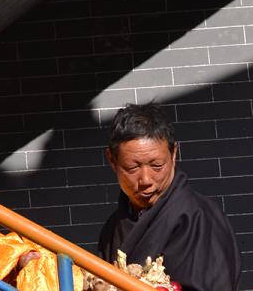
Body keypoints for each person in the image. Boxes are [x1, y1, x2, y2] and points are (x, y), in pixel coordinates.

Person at [96, 103, 240, 291]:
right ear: (112, 160)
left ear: (173, 154)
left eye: (156, 165)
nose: (145, 180)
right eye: (132, 168)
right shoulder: (113, 226)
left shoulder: (198, 217)